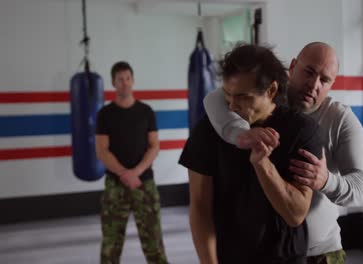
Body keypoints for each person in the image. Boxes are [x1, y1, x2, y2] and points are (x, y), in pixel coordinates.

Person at [203, 42, 363, 263]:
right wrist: (240, 134)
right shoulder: (263, 100)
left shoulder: (341, 120)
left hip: (320, 252)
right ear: (293, 67)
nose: (314, 85)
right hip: (266, 251)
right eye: (309, 72)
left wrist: (326, 181)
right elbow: (214, 98)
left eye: (324, 80)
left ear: (332, 84)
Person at [179, 44, 324, 263]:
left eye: (244, 97)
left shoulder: (302, 130)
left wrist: (261, 162)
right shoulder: (208, 131)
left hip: (285, 258)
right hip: (230, 256)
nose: (233, 106)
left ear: (271, 91)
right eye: (228, 95)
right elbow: (200, 207)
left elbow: (295, 214)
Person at [95, 61, 168, 264]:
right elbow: (102, 150)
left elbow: (154, 146)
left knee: (154, 244)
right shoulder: (105, 114)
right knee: (110, 245)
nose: (125, 83)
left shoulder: (146, 112)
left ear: (133, 81)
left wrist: (136, 172)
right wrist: (124, 174)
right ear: (113, 83)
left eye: (128, 78)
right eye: (120, 79)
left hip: (144, 184)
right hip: (115, 186)